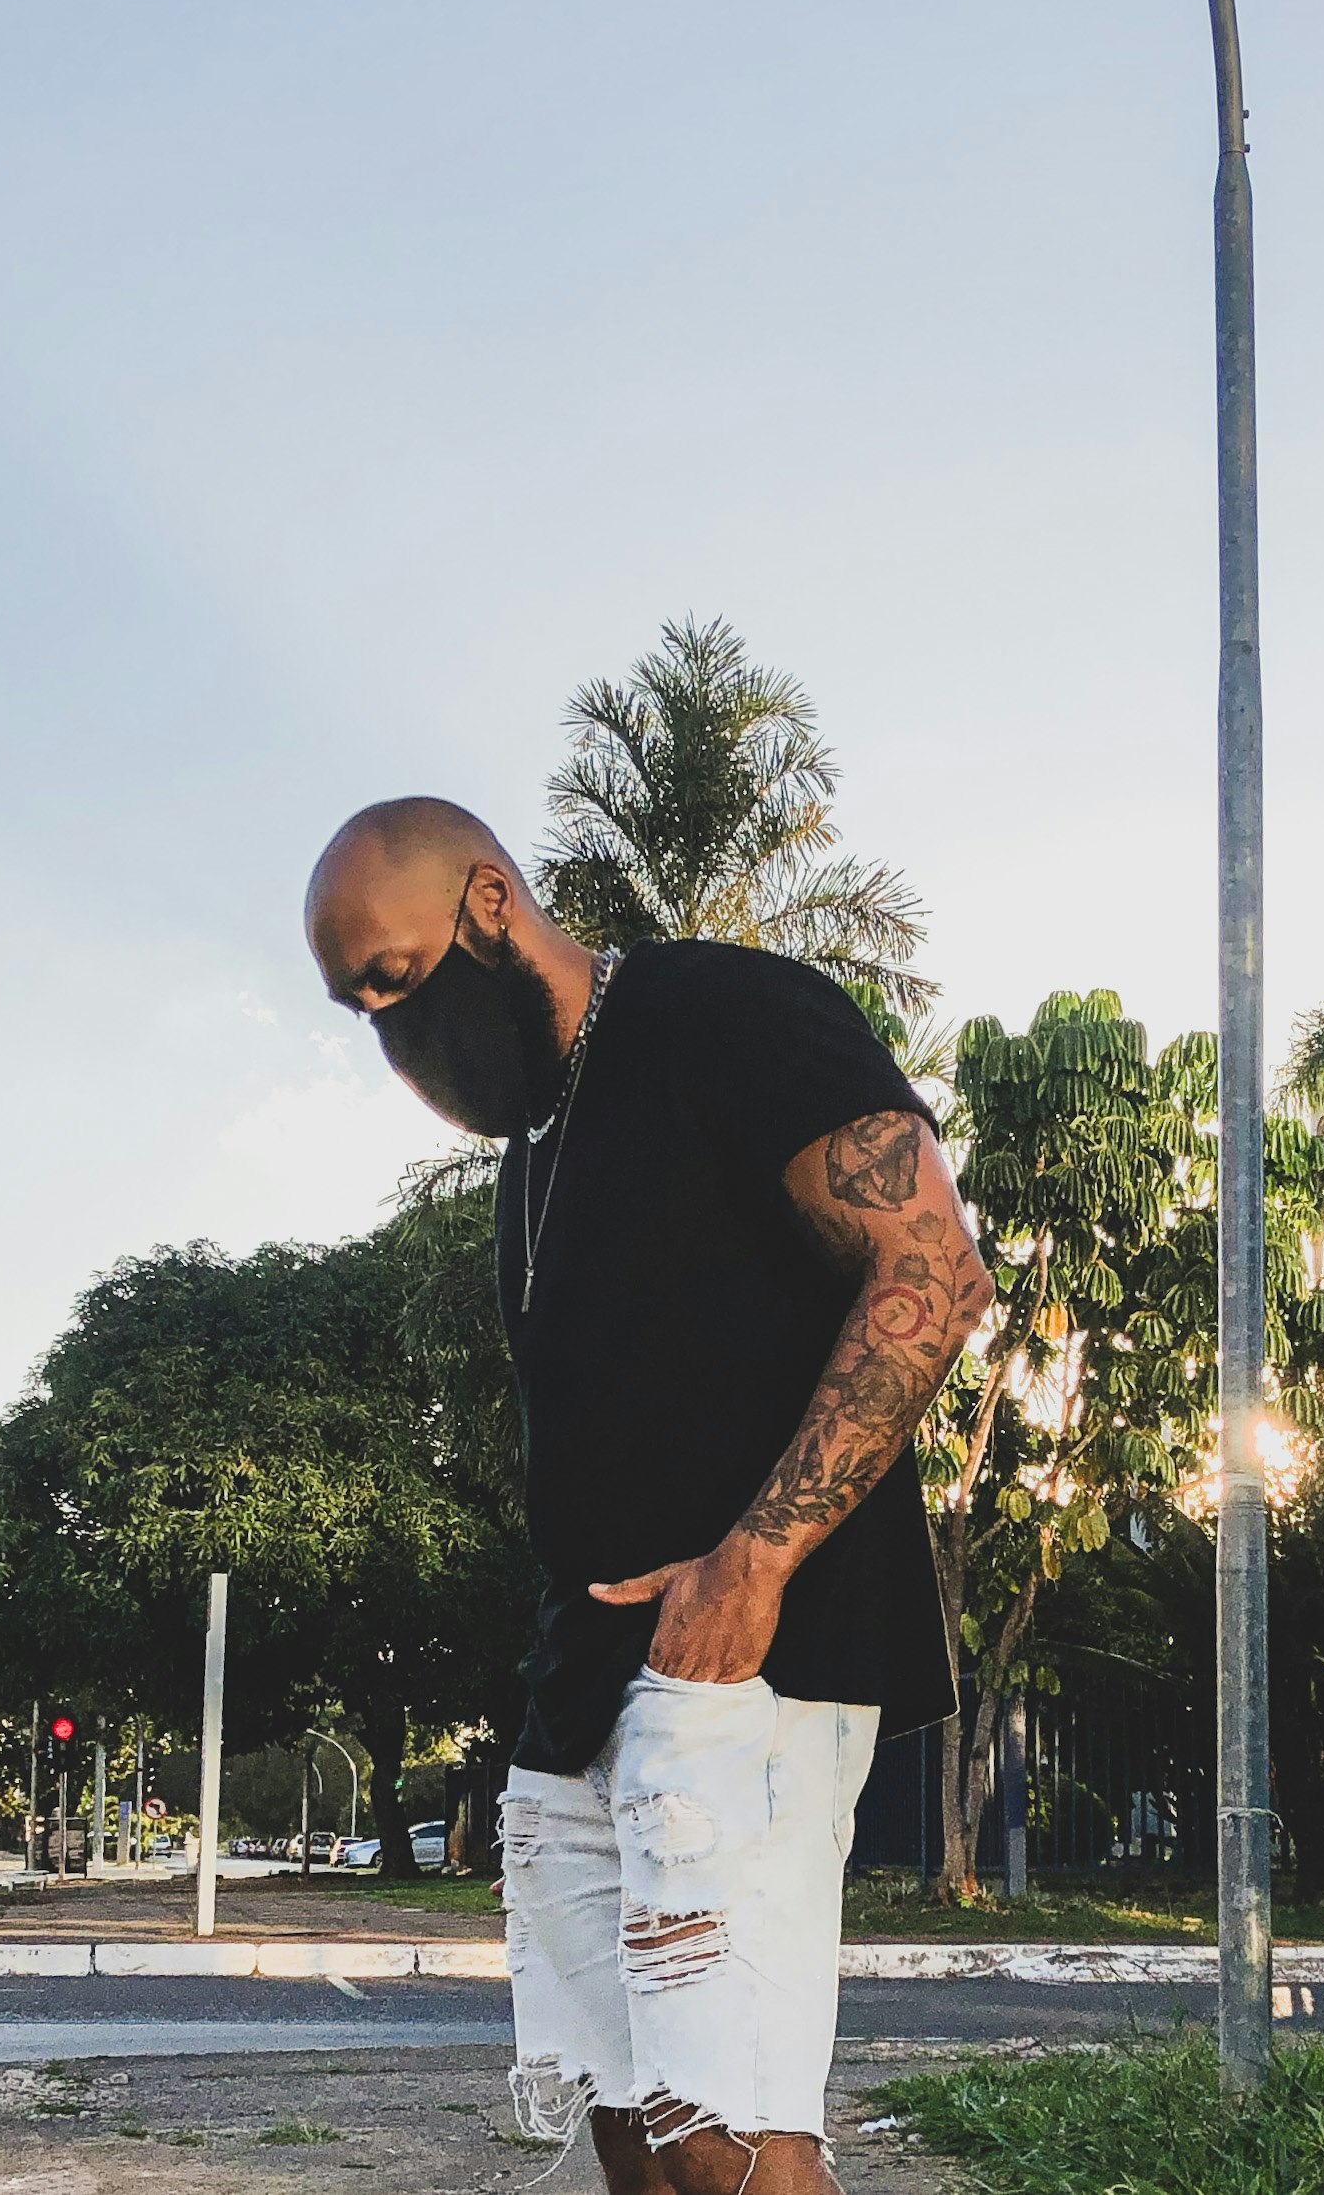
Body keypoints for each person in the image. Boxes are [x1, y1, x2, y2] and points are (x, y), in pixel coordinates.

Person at [306, 798, 992, 2195]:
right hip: (588, 1681)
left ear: (490, 907)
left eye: (396, 976)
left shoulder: (719, 1012)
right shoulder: (536, 1155)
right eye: (360, 1002)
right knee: (626, 2121)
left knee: (725, 2128)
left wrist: (753, 1566)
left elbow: (931, 1275)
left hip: (745, 1658)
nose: (391, 1027)